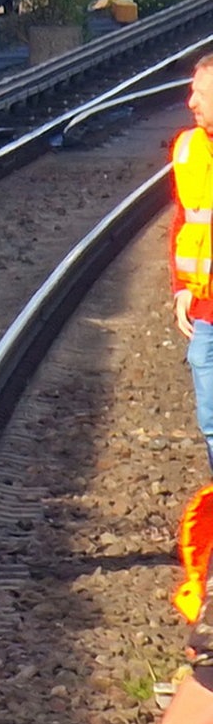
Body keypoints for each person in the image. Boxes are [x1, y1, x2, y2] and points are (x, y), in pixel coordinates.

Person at [172, 54, 213, 473]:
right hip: (205, 310)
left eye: (199, 93)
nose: (190, 102)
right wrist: (181, 286)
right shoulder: (188, 149)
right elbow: (184, 221)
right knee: (211, 420)